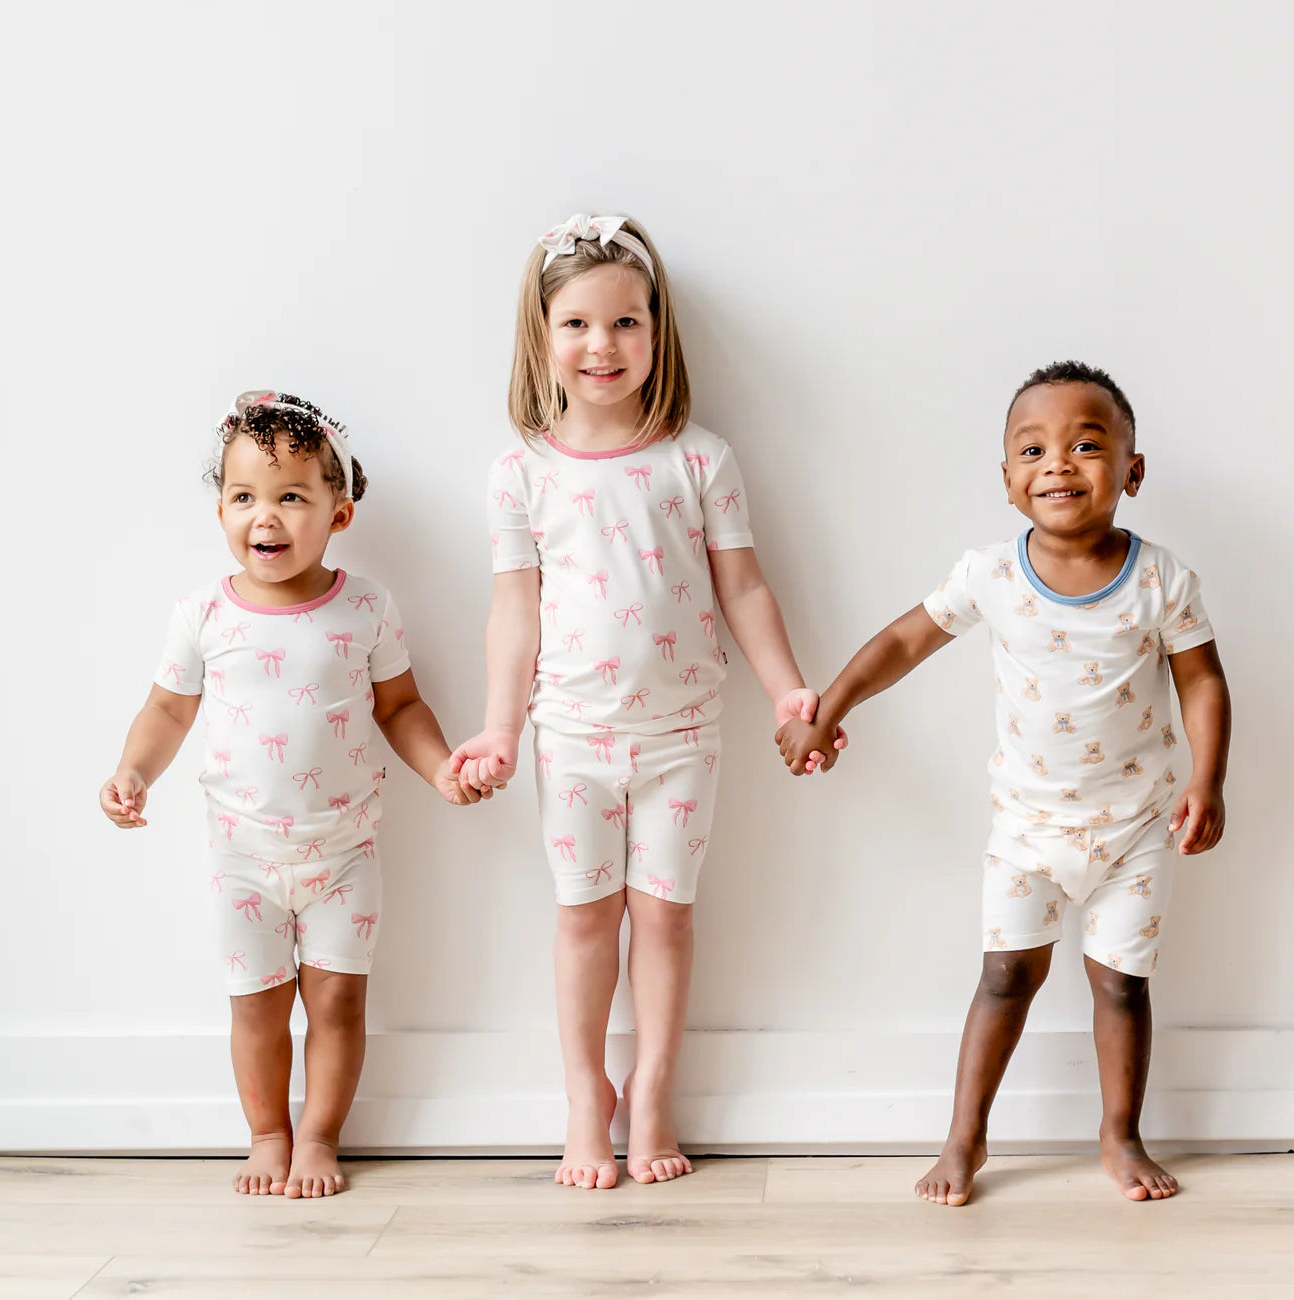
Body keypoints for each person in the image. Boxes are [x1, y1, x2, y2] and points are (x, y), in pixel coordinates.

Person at [777, 361, 1230, 1205]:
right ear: (1008, 479)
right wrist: (827, 708)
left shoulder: (1161, 579)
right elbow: (903, 642)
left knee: (1121, 985)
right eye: (1033, 449)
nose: (1058, 463)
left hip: (1137, 828)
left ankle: (1121, 1133)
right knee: (1004, 978)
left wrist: (1208, 778)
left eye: (1086, 445)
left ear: (1132, 471)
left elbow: (1202, 680)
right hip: (1026, 830)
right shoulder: (989, 574)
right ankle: (965, 1137)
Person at [452, 214, 837, 1188]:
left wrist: (788, 689)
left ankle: (653, 1090)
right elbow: (513, 612)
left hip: (683, 736)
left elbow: (743, 588)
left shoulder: (698, 460)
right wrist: (500, 727)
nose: (603, 345)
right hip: (572, 737)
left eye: (627, 322)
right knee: (586, 917)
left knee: (664, 917)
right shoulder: (521, 474)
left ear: (657, 331)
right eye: (578, 324)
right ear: (542, 335)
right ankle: (586, 1098)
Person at [99, 392, 486, 1197]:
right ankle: (268, 1133)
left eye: (291, 497)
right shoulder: (204, 614)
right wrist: (134, 771)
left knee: (338, 1001)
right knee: (257, 1006)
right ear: (221, 511)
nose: (265, 516)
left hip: (343, 854)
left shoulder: (365, 606)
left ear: (339, 514)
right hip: (241, 857)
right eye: (244, 496)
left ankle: (318, 1137)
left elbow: (400, 707)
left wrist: (441, 768)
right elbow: (167, 710)